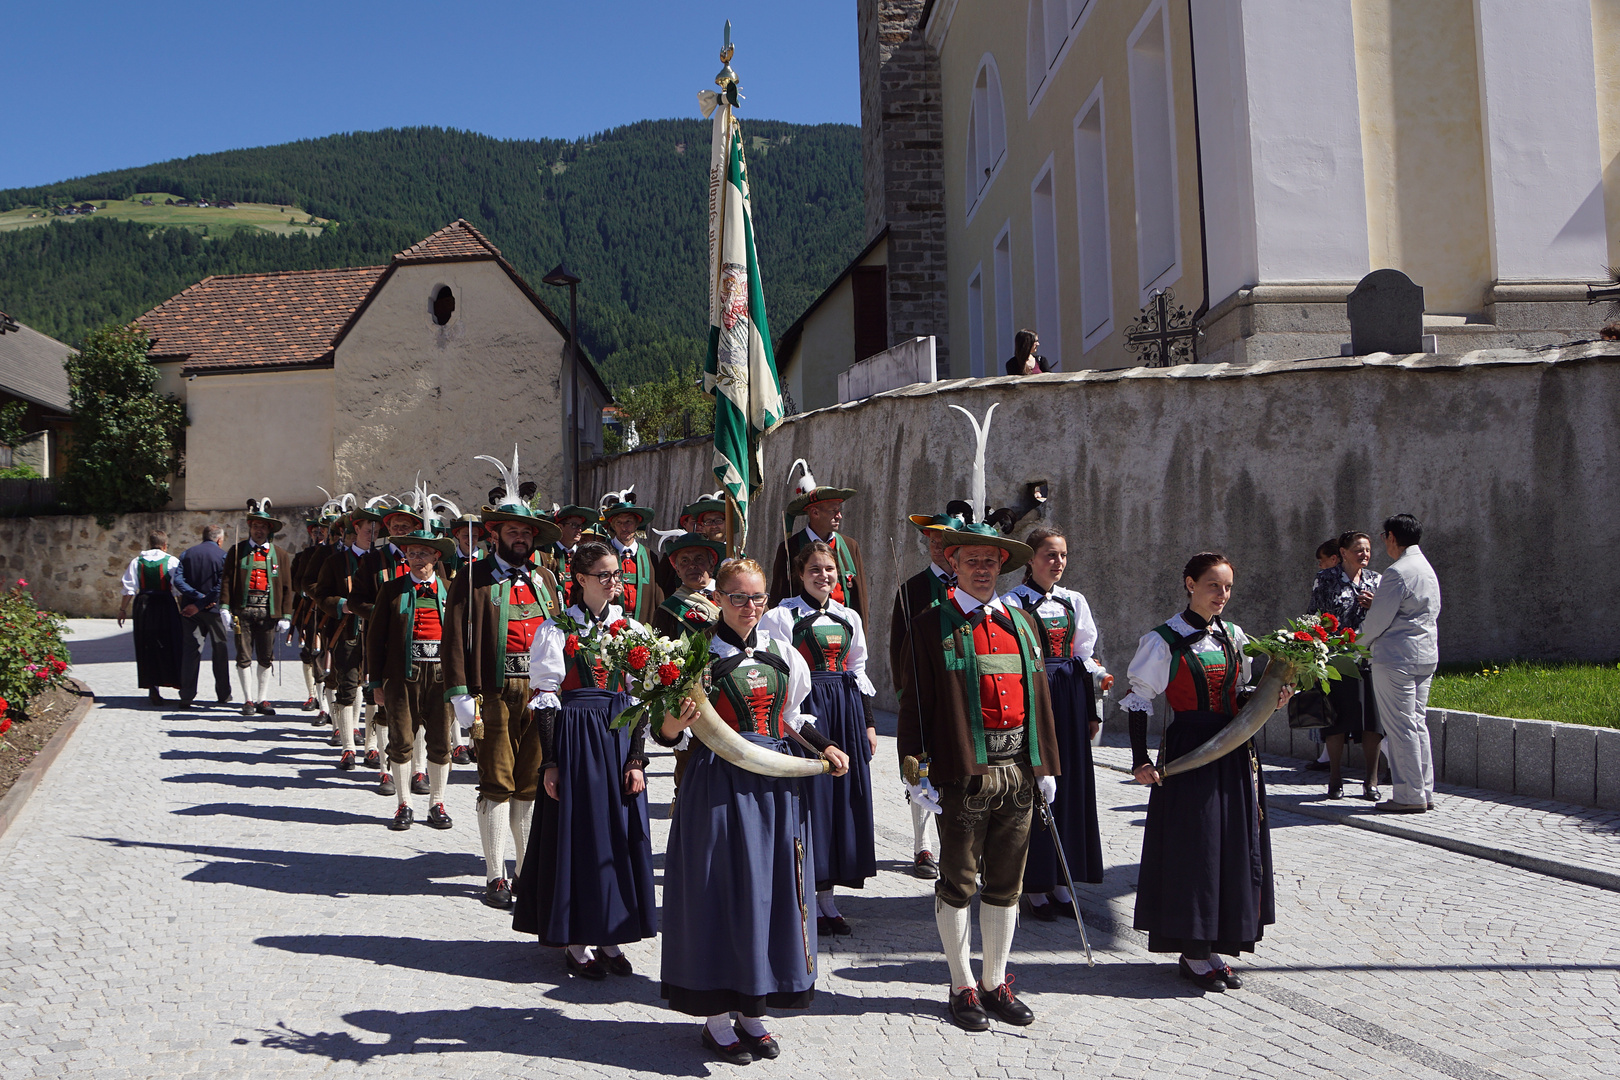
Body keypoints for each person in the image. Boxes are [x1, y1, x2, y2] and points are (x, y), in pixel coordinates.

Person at [655, 557, 850, 1065]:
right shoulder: (693, 657)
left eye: (757, 598)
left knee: (771, 892)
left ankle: (754, 1011)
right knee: (718, 890)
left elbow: (792, 719)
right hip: (717, 783)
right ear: (718, 598)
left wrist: (825, 746)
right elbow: (664, 734)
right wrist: (676, 720)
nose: (748, 607)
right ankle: (716, 1018)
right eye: (738, 597)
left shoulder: (784, 653)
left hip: (775, 785)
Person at [896, 523, 1057, 1032]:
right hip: (963, 772)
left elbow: (1040, 699)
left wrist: (1045, 766)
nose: (983, 569)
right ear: (955, 564)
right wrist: (916, 771)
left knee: (1007, 882)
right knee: (960, 879)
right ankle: (961, 983)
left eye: (992, 561)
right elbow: (912, 705)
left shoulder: (1022, 622)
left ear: (1002, 566)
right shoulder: (928, 625)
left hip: (1019, 772)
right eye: (973, 560)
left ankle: (995, 981)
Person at [1123, 552, 1291, 993]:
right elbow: (1140, 699)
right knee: (1196, 847)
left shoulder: (1235, 636)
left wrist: (1274, 695)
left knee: (1231, 844)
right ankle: (1192, 951)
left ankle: (1215, 943)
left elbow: (1239, 695)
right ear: (1189, 584)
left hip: (1234, 749)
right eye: (1214, 585)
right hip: (1190, 751)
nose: (1222, 595)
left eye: (1228, 587)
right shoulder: (1163, 640)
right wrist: (1141, 760)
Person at [512, 541, 658, 977]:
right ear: (580, 580)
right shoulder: (556, 629)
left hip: (616, 735)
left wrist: (636, 759)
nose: (616, 582)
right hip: (576, 739)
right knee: (580, 835)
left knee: (616, 835)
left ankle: (611, 934)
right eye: (606, 575)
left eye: (618, 575)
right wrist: (551, 762)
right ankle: (576, 939)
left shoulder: (630, 628)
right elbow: (547, 697)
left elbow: (641, 696)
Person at [444, 463, 564, 911]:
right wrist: (458, 692)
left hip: (540, 695)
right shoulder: (471, 579)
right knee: (496, 780)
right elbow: (453, 637)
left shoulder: (546, 579)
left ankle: (525, 869)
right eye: (513, 531)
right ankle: (494, 874)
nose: (521, 539)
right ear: (496, 534)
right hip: (492, 693)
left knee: (531, 781)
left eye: (527, 533)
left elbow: (560, 634)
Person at [760, 539, 879, 935]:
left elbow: (859, 671)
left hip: (844, 708)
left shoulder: (849, 617)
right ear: (799, 574)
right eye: (814, 570)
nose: (823, 576)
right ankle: (806, 894)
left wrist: (868, 724)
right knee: (815, 801)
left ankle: (829, 896)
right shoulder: (782, 616)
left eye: (828, 570)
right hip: (808, 710)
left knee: (843, 799)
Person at [1003, 527, 1111, 921]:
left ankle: (1064, 877)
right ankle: (1034, 882)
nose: (1058, 562)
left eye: (1063, 555)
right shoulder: (1012, 603)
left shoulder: (1073, 601)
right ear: (1030, 559)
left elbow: (1085, 655)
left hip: (1069, 696)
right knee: (1036, 784)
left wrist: (1092, 709)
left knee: (1072, 784)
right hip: (1032, 694)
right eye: (1050, 555)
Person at [365, 529, 459, 831]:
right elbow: (375, 638)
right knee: (401, 740)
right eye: (412, 553)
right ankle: (403, 804)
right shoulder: (391, 590)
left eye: (424, 553)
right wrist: (376, 682)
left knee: (441, 743)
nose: (417, 559)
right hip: (403, 677)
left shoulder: (451, 589)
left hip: (442, 679)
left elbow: (462, 640)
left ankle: (437, 803)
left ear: (436, 557)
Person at [890, 511, 960, 879]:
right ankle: (923, 846)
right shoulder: (912, 589)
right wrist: (906, 693)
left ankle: (960, 845)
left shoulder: (967, 585)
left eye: (946, 542)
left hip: (960, 698)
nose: (939, 547)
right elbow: (898, 647)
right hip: (924, 694)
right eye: (933, 541)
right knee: (921, 768)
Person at [1359, 514, 1442, 814]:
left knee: (1400, 726)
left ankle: (1408, 795)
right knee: (1417, 723)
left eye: (1383, 537)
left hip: (1396, 658)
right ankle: (1424, 790)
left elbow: (1378, 621)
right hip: (1424, 655)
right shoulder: (1426, 568)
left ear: (1392, 537)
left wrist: (1357, 645)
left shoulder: (1396, 572)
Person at [1310, 530, 1384, 799]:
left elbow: (1389, 615)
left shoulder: (1377, 580)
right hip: (1337, 659)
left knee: (1371, 723)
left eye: (1367, 549)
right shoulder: (1326, 579)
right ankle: (1335, 780)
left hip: (1369, 658)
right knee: (1337, 720)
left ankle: (1371, 782)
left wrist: (1375, 605)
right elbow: (1314, 616)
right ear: (1343, 553)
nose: (1364, 554)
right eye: (1358, 549)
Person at [311, 507, 383, 770]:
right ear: (356, 531)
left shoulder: (383, 561)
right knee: (347, 686)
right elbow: (321, 594)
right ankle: (348, 747)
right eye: (367, 529)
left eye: (376, 530)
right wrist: (343, 604)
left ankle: (372, 747)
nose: (372, 534)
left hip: (377, 634)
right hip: (346, 630)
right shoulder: (335, 562)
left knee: (375, 691)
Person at [768, 460, 868, 624]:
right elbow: (779, 598)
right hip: (803, 634)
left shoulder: (850, 546)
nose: (839, 516)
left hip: (844, 632)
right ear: (814, 512)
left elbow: (860, 600)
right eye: (833, 511)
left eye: (839, 511)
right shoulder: (790, 547)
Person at [219, 500, 294, 717]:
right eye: (254, 526)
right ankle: (248, 699)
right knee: (243, 656)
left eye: (262, 527)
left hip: (268, 614)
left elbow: (288, 587)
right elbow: (226, 580)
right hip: (242, 613)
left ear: (269, 529)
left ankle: (262, 698)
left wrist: (286, 615)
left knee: (265, 656)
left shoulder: (280, 555)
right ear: (250, 528)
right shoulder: (237, 551)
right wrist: (224, 607)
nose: (258, 530)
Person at [118, 529, 184, 705]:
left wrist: (122, 609)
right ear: (165, 545)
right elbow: (178, 589)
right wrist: (182, 609)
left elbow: (129, 589)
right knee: (170, 642)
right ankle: (176, 681)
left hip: (144, 604)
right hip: (165, 604)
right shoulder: (171, 561)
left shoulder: (137, 562)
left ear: (150, 543)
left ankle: (152, 687)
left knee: (147, 645)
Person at [174, 525, 232, 708]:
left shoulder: (187, 554)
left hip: (190, 611)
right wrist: (204, 601)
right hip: (213, 610)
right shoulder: (223, 556)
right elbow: (221, 584)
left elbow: (178, 580)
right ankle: (223, 694)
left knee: (191, 652)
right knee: (220, 651)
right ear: (219, 540)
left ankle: (186, 695)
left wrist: (196, 600)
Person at [288, 514, 333, 725]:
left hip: (332, 610)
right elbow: (297, 582)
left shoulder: (339, 553)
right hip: (310, 611)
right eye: (315, 530)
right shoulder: (303, 556)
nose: (319, 533)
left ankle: (333, 703)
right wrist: (308, 592)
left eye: (323, 530)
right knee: (312, 653)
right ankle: (316, 698)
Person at [597, 488, 664, 624]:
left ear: (637, 524)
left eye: (628, 522)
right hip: (608, 624)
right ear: (612, 525)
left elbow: (658, 595)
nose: (624, 527)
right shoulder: (600, 554)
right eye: (619, 523)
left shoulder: (650, 556)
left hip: (644, 625)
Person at [655, 492, 727, 595]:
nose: (714, 526)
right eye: (708, 522)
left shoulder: (737, 556)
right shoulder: (678, 553)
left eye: (719, 521)